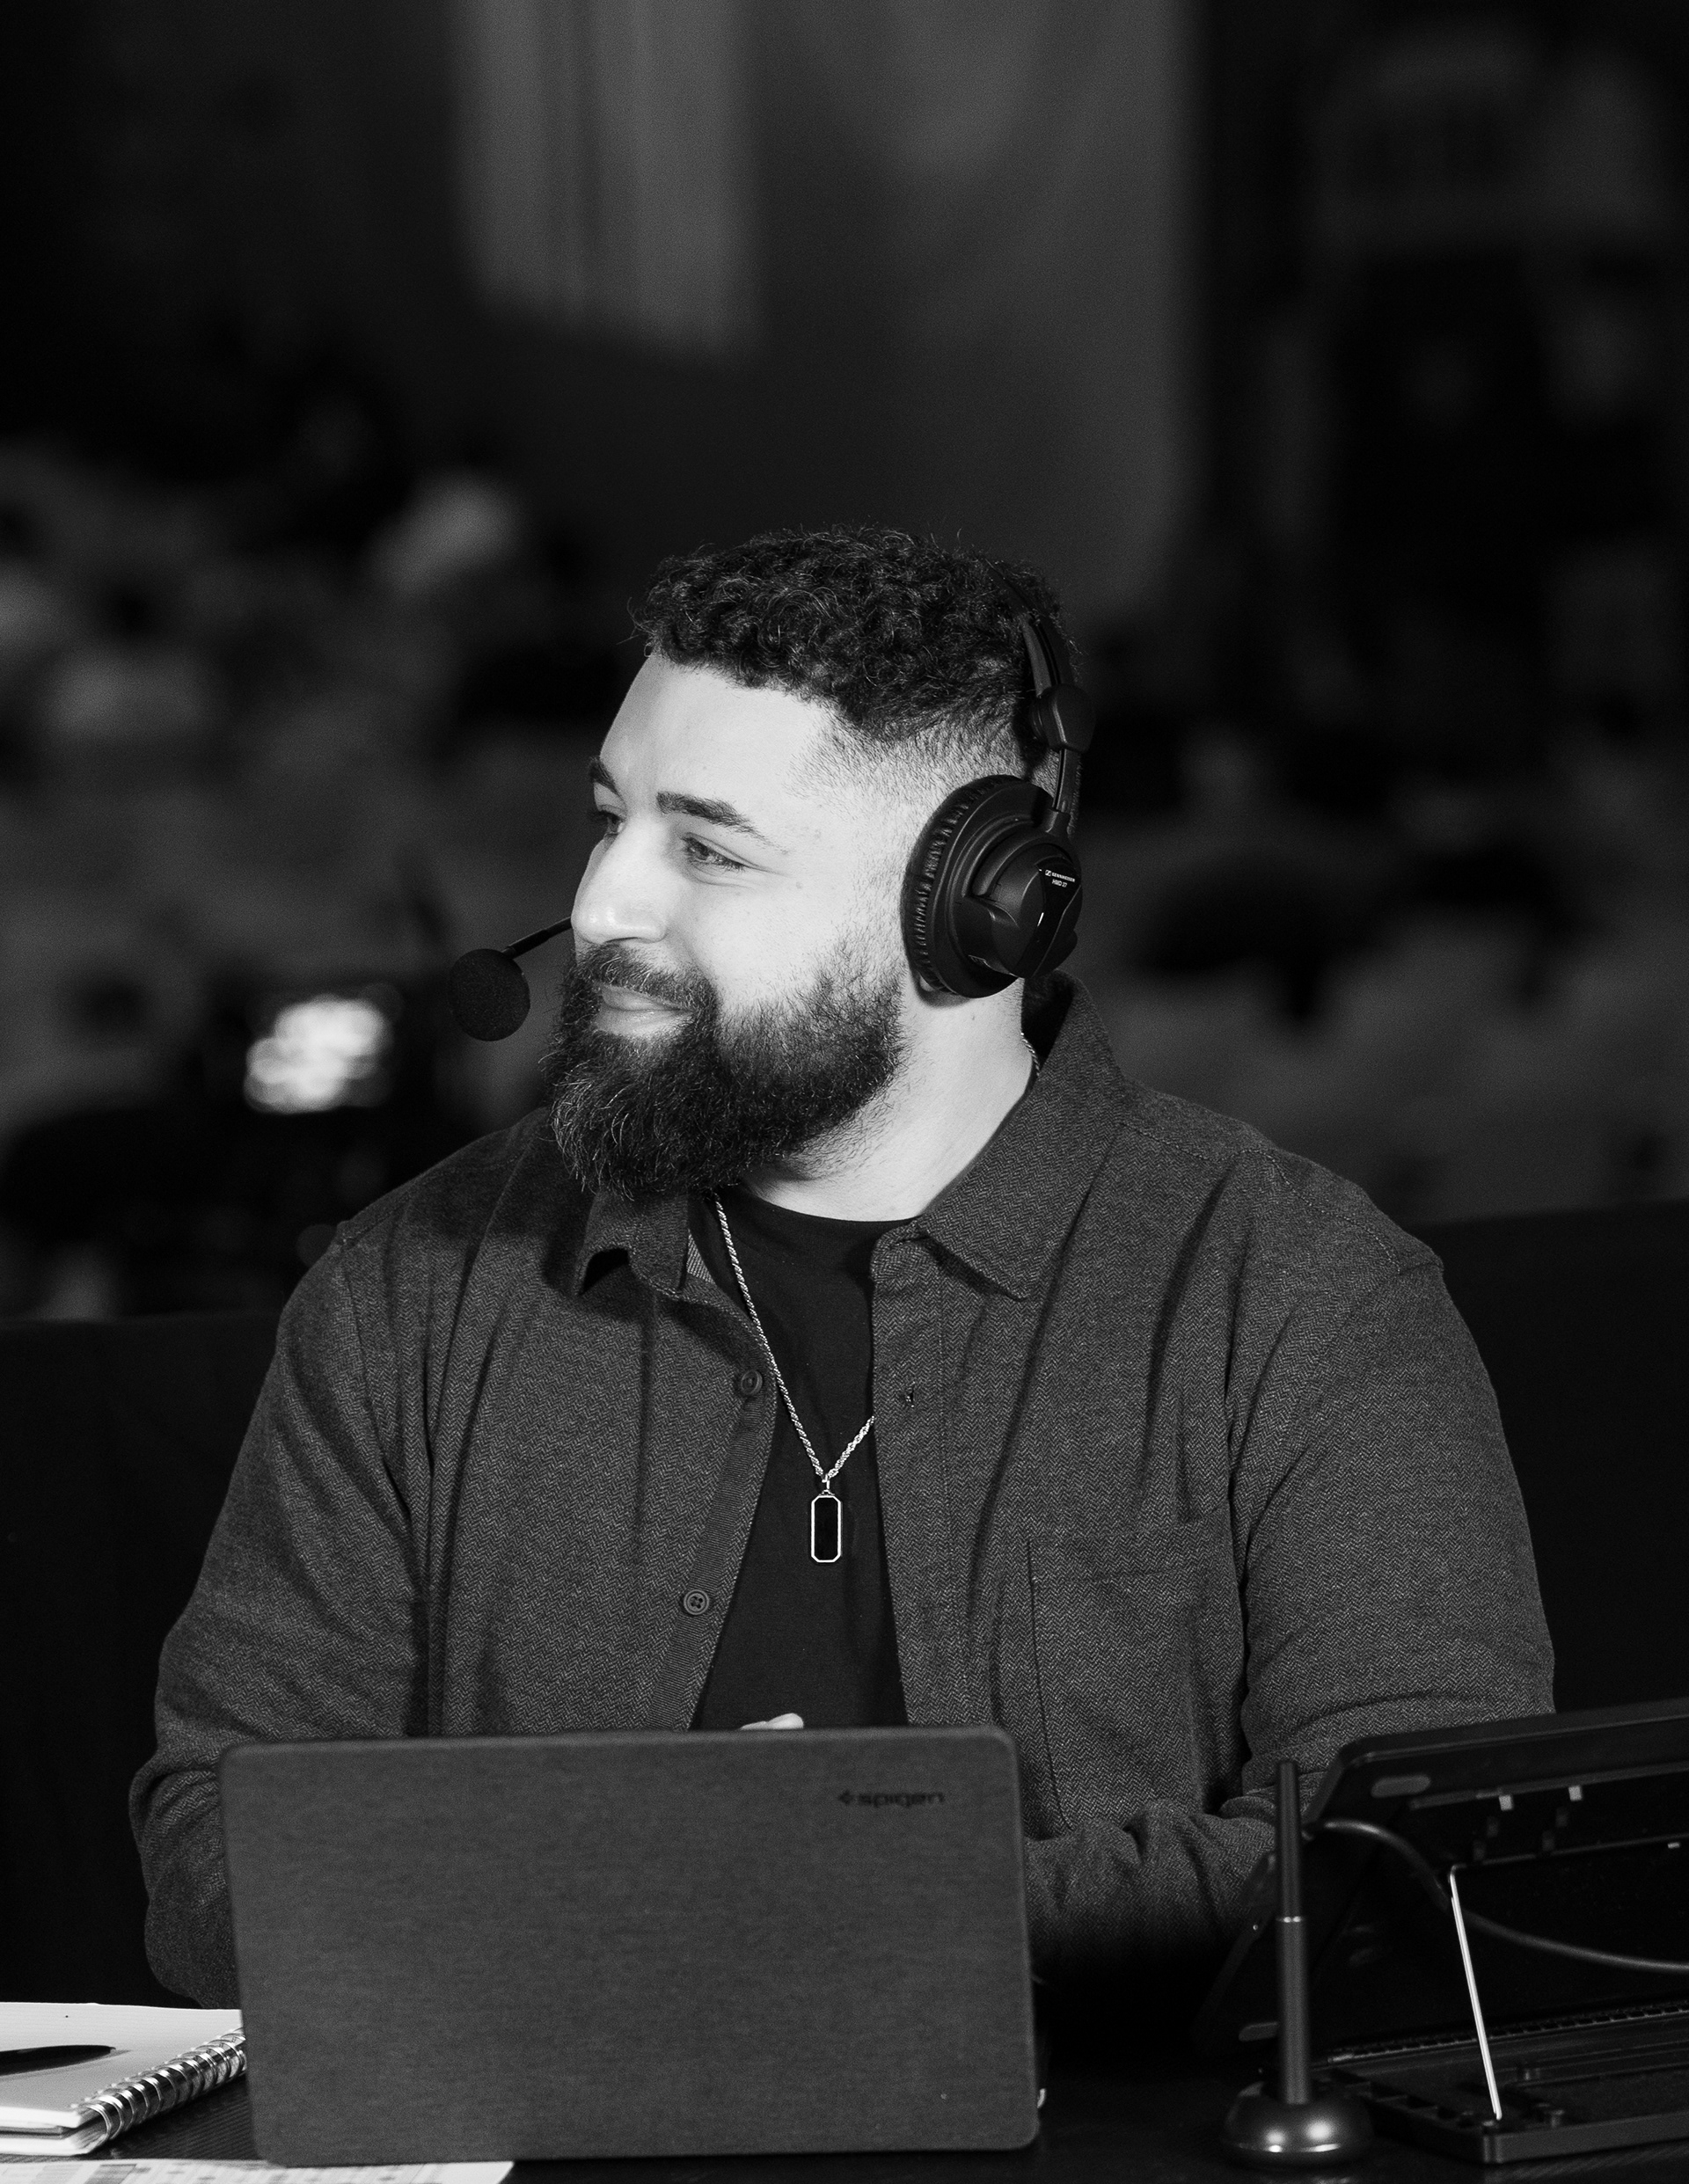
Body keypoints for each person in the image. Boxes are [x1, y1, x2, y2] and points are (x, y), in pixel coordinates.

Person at [133, 525, 1552, 2013]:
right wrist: (683, 1885)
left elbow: (1408, 1848)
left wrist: (851, 1889)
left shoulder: (1302, 1296)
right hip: (549, 2165)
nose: (605, 906)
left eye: (708, 848)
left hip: (1118, 2164)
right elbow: (216, 1847)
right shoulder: (411, 1289)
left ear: (979, 910)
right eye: (609, 818)